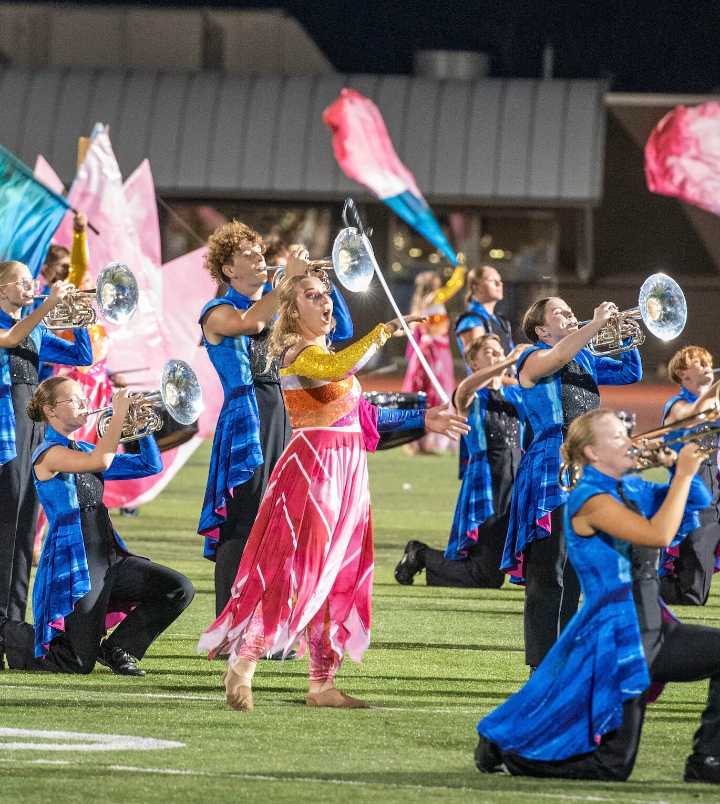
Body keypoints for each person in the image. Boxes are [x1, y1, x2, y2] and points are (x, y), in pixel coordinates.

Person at [197, 269, 469, 711]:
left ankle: (322, 684)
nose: (325, 303)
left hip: (348, 473)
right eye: (312, 296)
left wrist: (425, 420)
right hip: (313, 471)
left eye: (326, 296)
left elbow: (364, 419)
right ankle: (242, 666)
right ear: (291, 308)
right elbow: (334, 367)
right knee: (297, 573)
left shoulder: (326, 352)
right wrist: (380, 334)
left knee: (340, 574)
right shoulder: (293, 351)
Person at [476, 408, 720, 785]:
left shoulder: (630, 489)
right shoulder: (590, 500)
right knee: (611, 768)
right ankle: (509, 755)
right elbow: (658, 535)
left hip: (654, 628)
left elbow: (696, 504)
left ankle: (707, 760)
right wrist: (685, 473)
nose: (630, 441)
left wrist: (674, 469)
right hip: (619, 638)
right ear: (592, 452)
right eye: (618, 437)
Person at [196, 222, 353, 617]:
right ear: (229, 270)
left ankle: (270, 623)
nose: (259, 258)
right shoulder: (217, 311)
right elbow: (250, 324)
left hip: (286, 412)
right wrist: (288, 281)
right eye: (248, 255)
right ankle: (231, 624)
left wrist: (317, 286)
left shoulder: (278, 299)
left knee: (280, 518)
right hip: (246, 417)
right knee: (244, 518)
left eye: (260, 252)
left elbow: (342, 330)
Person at [0, 376, 194, 675]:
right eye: (74, 400)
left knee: (177, 588)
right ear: (51, 411)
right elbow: (101, 461)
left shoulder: (86, 448)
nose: (84, 405)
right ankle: (5, 632)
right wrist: (118, 415)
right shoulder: (48, 454)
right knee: (76, 662)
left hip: (107, 554)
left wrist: (140, 428)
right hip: (75, 560)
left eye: (83, 399)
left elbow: (149, 466)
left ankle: (119, 648)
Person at [503, 297, 642, 670]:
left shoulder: (586, 358)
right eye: (559, 313)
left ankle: (564, 661)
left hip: (585, 469)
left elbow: (630, 373)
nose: (568, 315)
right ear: (541, 329)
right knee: (549, 573)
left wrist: (623, 334)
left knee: (577, 573)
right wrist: (595, 324)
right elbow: (558, 359)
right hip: (550, 464)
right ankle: (541, 664)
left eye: (569, 311)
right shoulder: (530, 357)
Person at [0, 260, 93, 628]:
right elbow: (10, 339)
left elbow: (81, 357)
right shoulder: (17, 323)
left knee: (26, 523)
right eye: (19, 281)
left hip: (33, 426)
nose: (28, 285)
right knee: (6, 518)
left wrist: (78, 319)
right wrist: (48, 305)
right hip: (6, 426)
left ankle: (12, 620)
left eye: (30, 281)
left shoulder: (34, 325)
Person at [395, 335, 525, 588]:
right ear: (473, 363)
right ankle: (420, 554)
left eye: (499, 351)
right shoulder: (471, 395)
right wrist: (507, 362)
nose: (496, 355)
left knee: (495, 571)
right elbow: (465, 388)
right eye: (488, 352)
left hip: (515, 482)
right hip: (486, 484)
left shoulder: (515, 394)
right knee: (486, 576)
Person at [660, 346, 720, 605]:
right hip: (688, 488)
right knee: (691, 594)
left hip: (712, 485)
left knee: (697, 589)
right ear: (683, 374)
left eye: (709, 363)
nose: (708, 367)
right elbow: (694, 417)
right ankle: (640, 587)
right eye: (700, 364)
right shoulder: (676, 405)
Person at [401, 265, 465, 455]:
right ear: (433, 285)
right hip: (435, 351)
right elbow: (455, 285)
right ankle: (434, 440)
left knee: (425, 391)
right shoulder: (435, 298)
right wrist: (460, 269)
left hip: (432, 350)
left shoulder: (422, 303)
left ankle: (420, 440)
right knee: (437, 391)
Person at [455, 265, 513, 357]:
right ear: (476, 287)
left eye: (500, 280)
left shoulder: (501, 320)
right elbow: (479, 363)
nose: (499, 284)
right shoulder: (471, 320)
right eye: (491, 280)